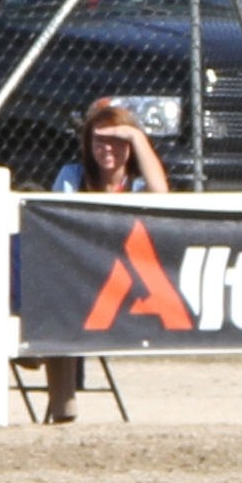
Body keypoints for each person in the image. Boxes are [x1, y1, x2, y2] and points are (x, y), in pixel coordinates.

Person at [38, 97, 170, 425]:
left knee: (57, 304)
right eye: (99, 141)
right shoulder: (73, 176)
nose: (107, 149)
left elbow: (161, 194)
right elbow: (56, 225)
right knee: (56, 294)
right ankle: (62, 405)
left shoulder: (137, 184)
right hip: (76, 274)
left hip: (125, 283)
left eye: (117, 140)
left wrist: (136, 136)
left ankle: (33, 347)